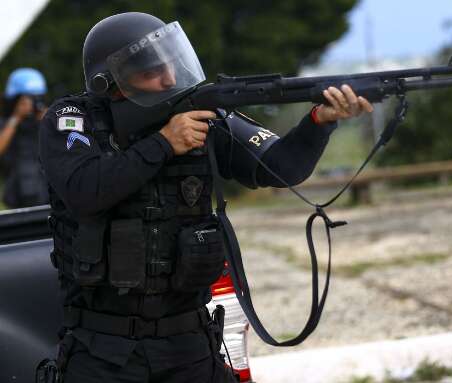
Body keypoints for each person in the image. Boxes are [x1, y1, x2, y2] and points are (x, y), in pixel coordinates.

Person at [38, 12, 373, 383]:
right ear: (110, 83)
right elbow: (85, 191)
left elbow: (282, 167)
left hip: (189, 348)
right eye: (151, 71)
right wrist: (164, 143)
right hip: (102, 354)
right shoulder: (72, 118)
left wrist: (319, 122)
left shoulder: (198, 113)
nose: (168, 79)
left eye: (168, 65)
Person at [0, 68, 49, 208]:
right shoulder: (6, 124)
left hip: (47, 196)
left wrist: (50, 120)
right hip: (15, 199)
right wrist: (16, 118)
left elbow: (69, 144)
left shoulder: (47, 121)